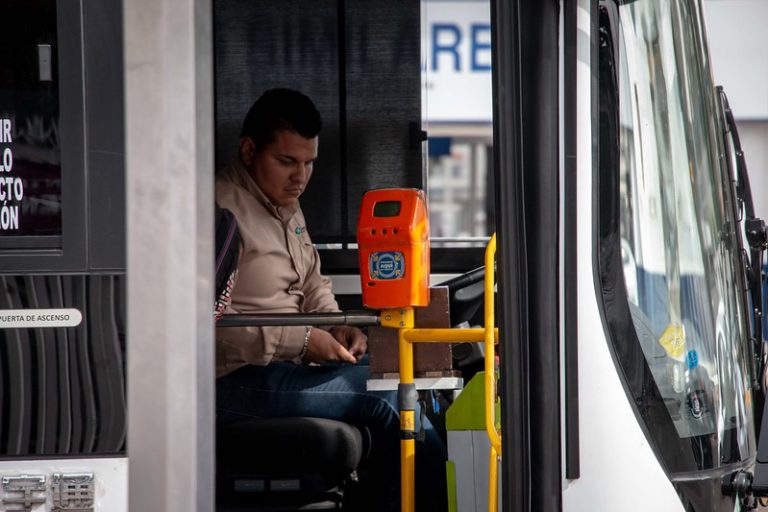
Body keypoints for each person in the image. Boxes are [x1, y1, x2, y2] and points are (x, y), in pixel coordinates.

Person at [215, 88, 447, 511]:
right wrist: (304, 341)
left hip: (285, 365)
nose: (300, 177)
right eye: (287, 161)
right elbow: (204, 323)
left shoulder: (286, 205)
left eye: (309, 163)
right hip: (232, 379)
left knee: (409, 373)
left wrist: (336, 325)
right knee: (392, 397)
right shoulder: (217, 211)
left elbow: (312, 281)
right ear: (248, 150)